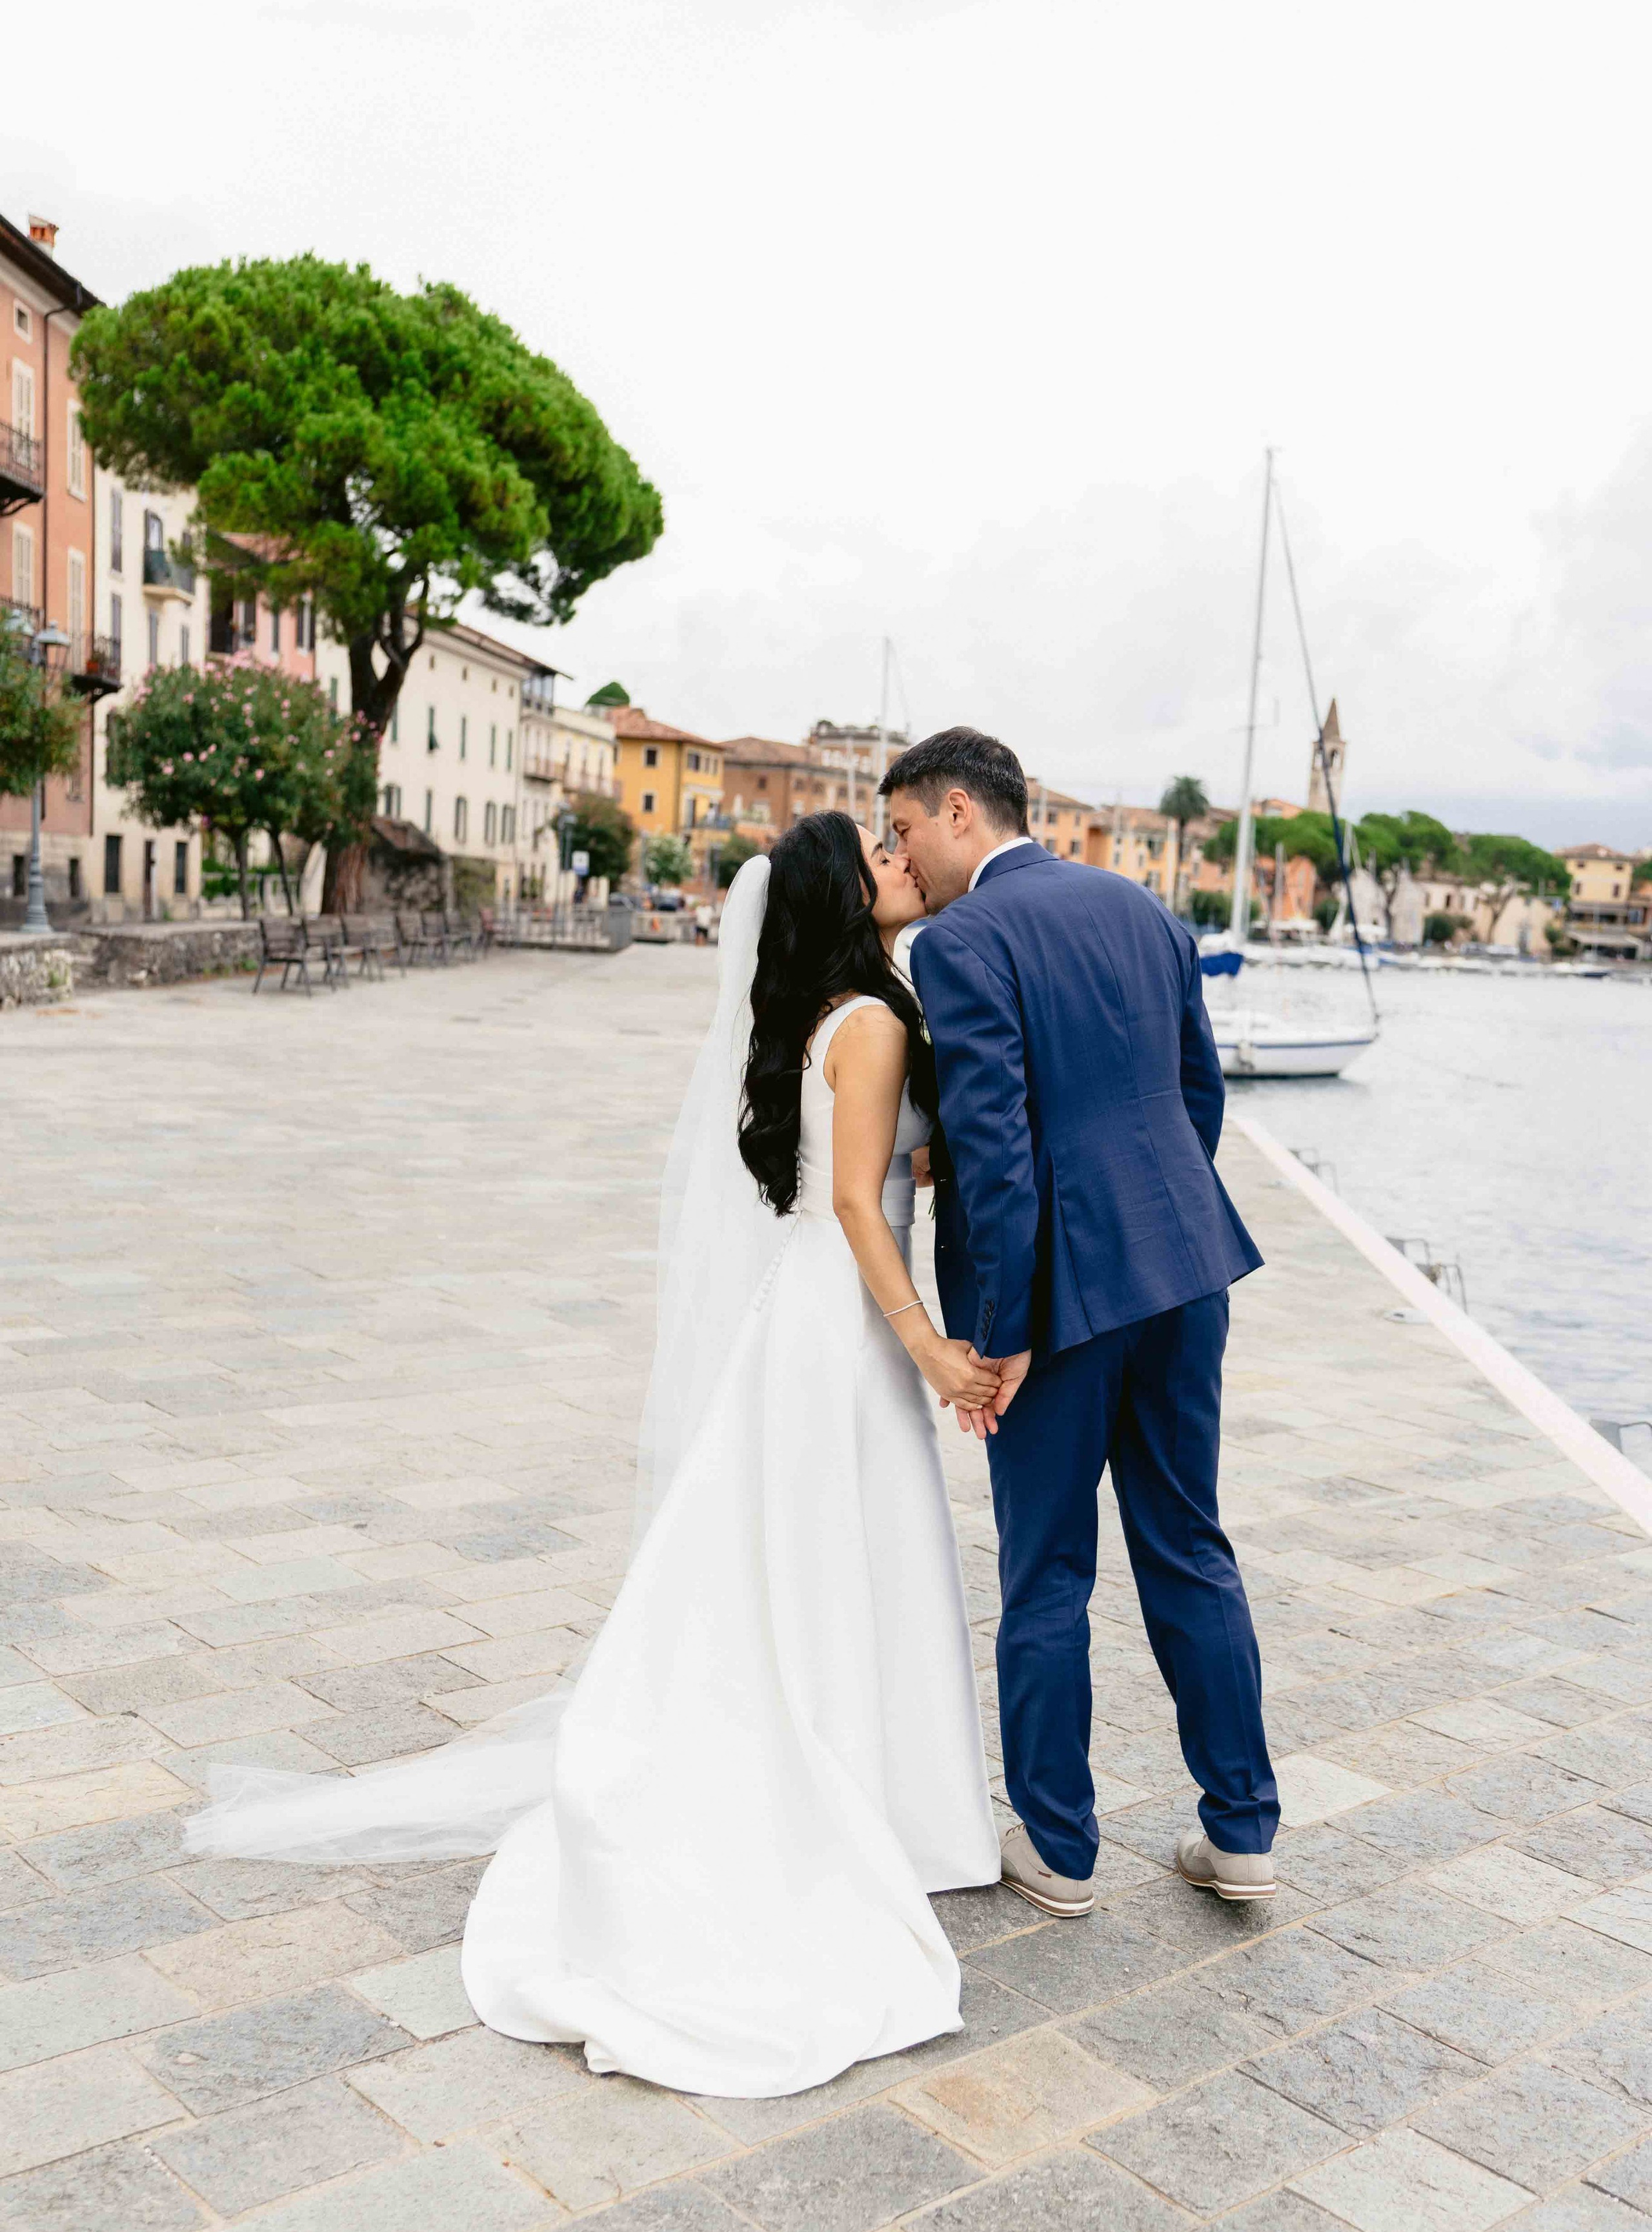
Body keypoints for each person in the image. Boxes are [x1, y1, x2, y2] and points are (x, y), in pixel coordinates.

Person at [185, 815, 1002, 2100]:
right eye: (880, 855)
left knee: (809, 1559)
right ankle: (869, 1798)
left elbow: (863, 1177)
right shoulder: (875, 1021)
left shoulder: (822, 1017)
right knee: (844, 1554)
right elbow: (854, 1203)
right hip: (842, 1330)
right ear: (844, 895)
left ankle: (869, 1782)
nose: (903, 863)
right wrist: (934, 1350)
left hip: (794, 1327)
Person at [883, 728, 1278, 1919]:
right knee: (1189, 1542)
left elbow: (996, 1146)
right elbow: (1196, 1094)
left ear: (961, 810)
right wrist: (1150, 1221)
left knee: (1047, 1567)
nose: (903, 854)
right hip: (1182, 1270)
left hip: (1054, 1302)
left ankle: (1060, 1847)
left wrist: (998, 1327)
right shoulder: (1146, 911)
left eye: (903, 829)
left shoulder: (962, 940)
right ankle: (1243, 1831)